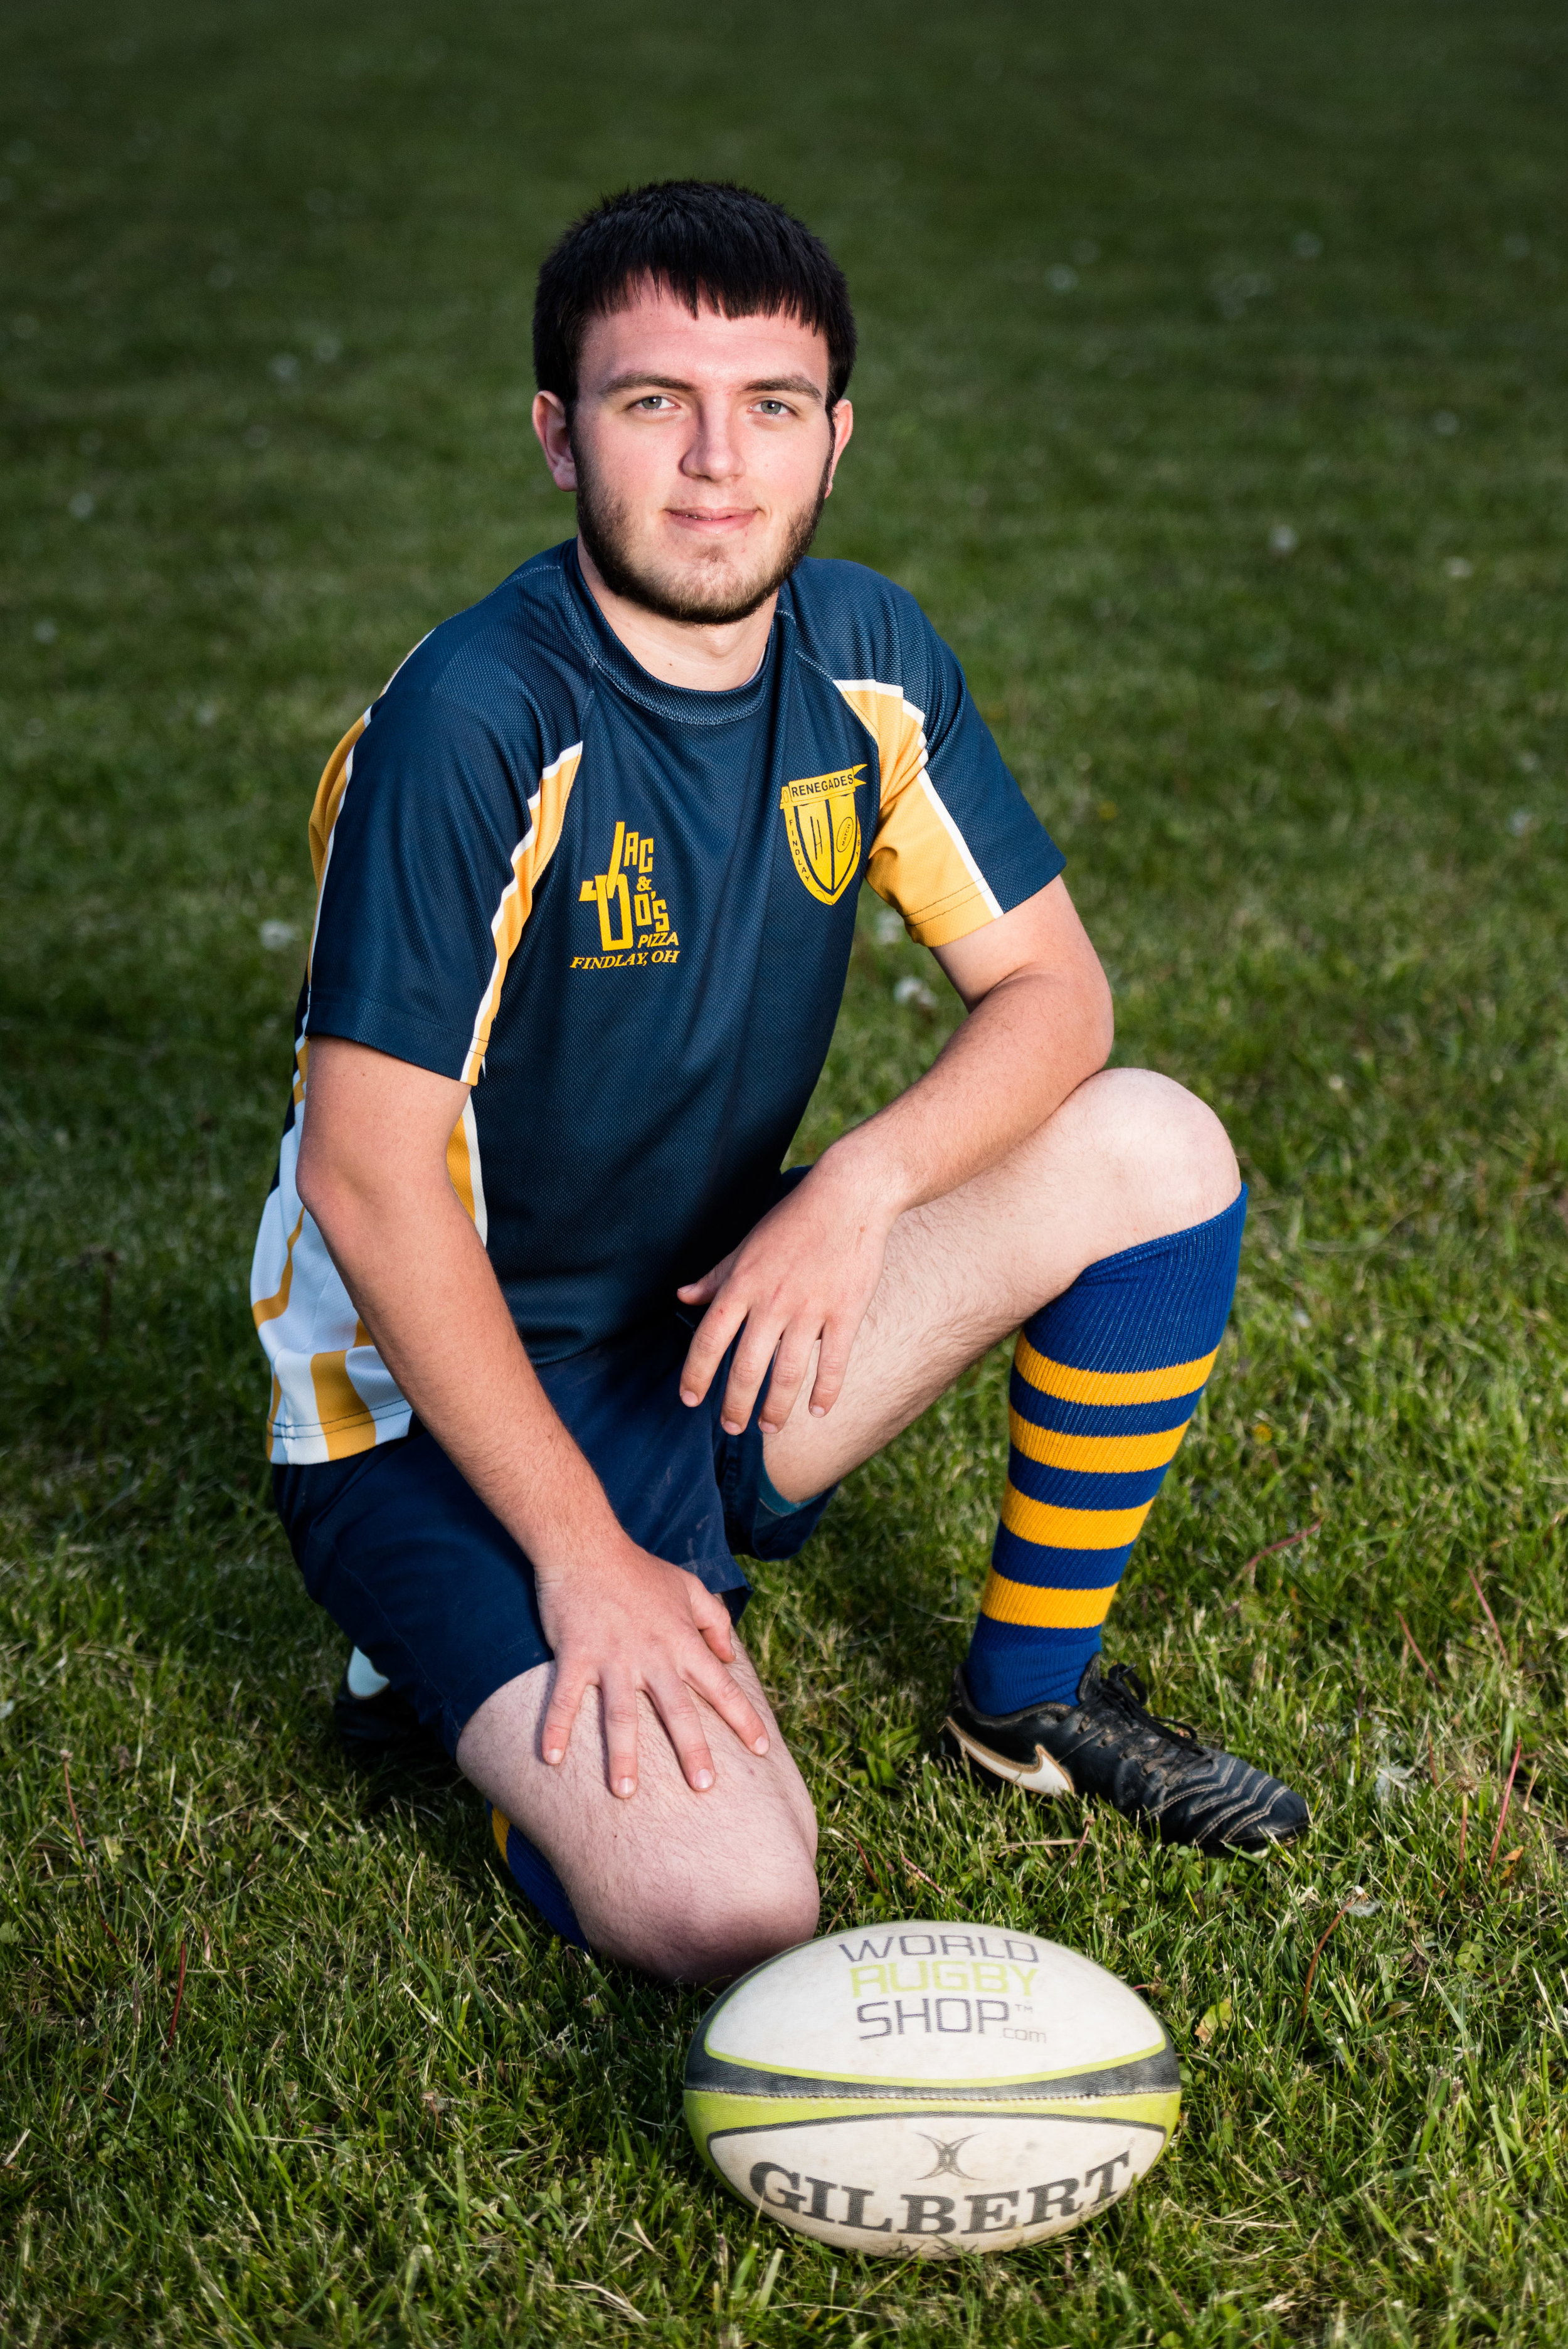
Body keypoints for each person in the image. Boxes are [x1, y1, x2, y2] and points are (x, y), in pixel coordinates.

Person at [250, 180, 1308, 1985]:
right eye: (652, 401)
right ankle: (441, 1661)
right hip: (428, 1412)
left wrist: (859, 1189)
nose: (715, 464)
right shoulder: (476, 720)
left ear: (836, 438)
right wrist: (580, 1556)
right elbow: (364, 1181)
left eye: (772, 407)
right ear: (555, 435)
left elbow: (1055, 995)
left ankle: (1029, 1703)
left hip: (700, 1326)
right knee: (727, 1904)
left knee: (1153, 1144)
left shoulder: (868, 657)